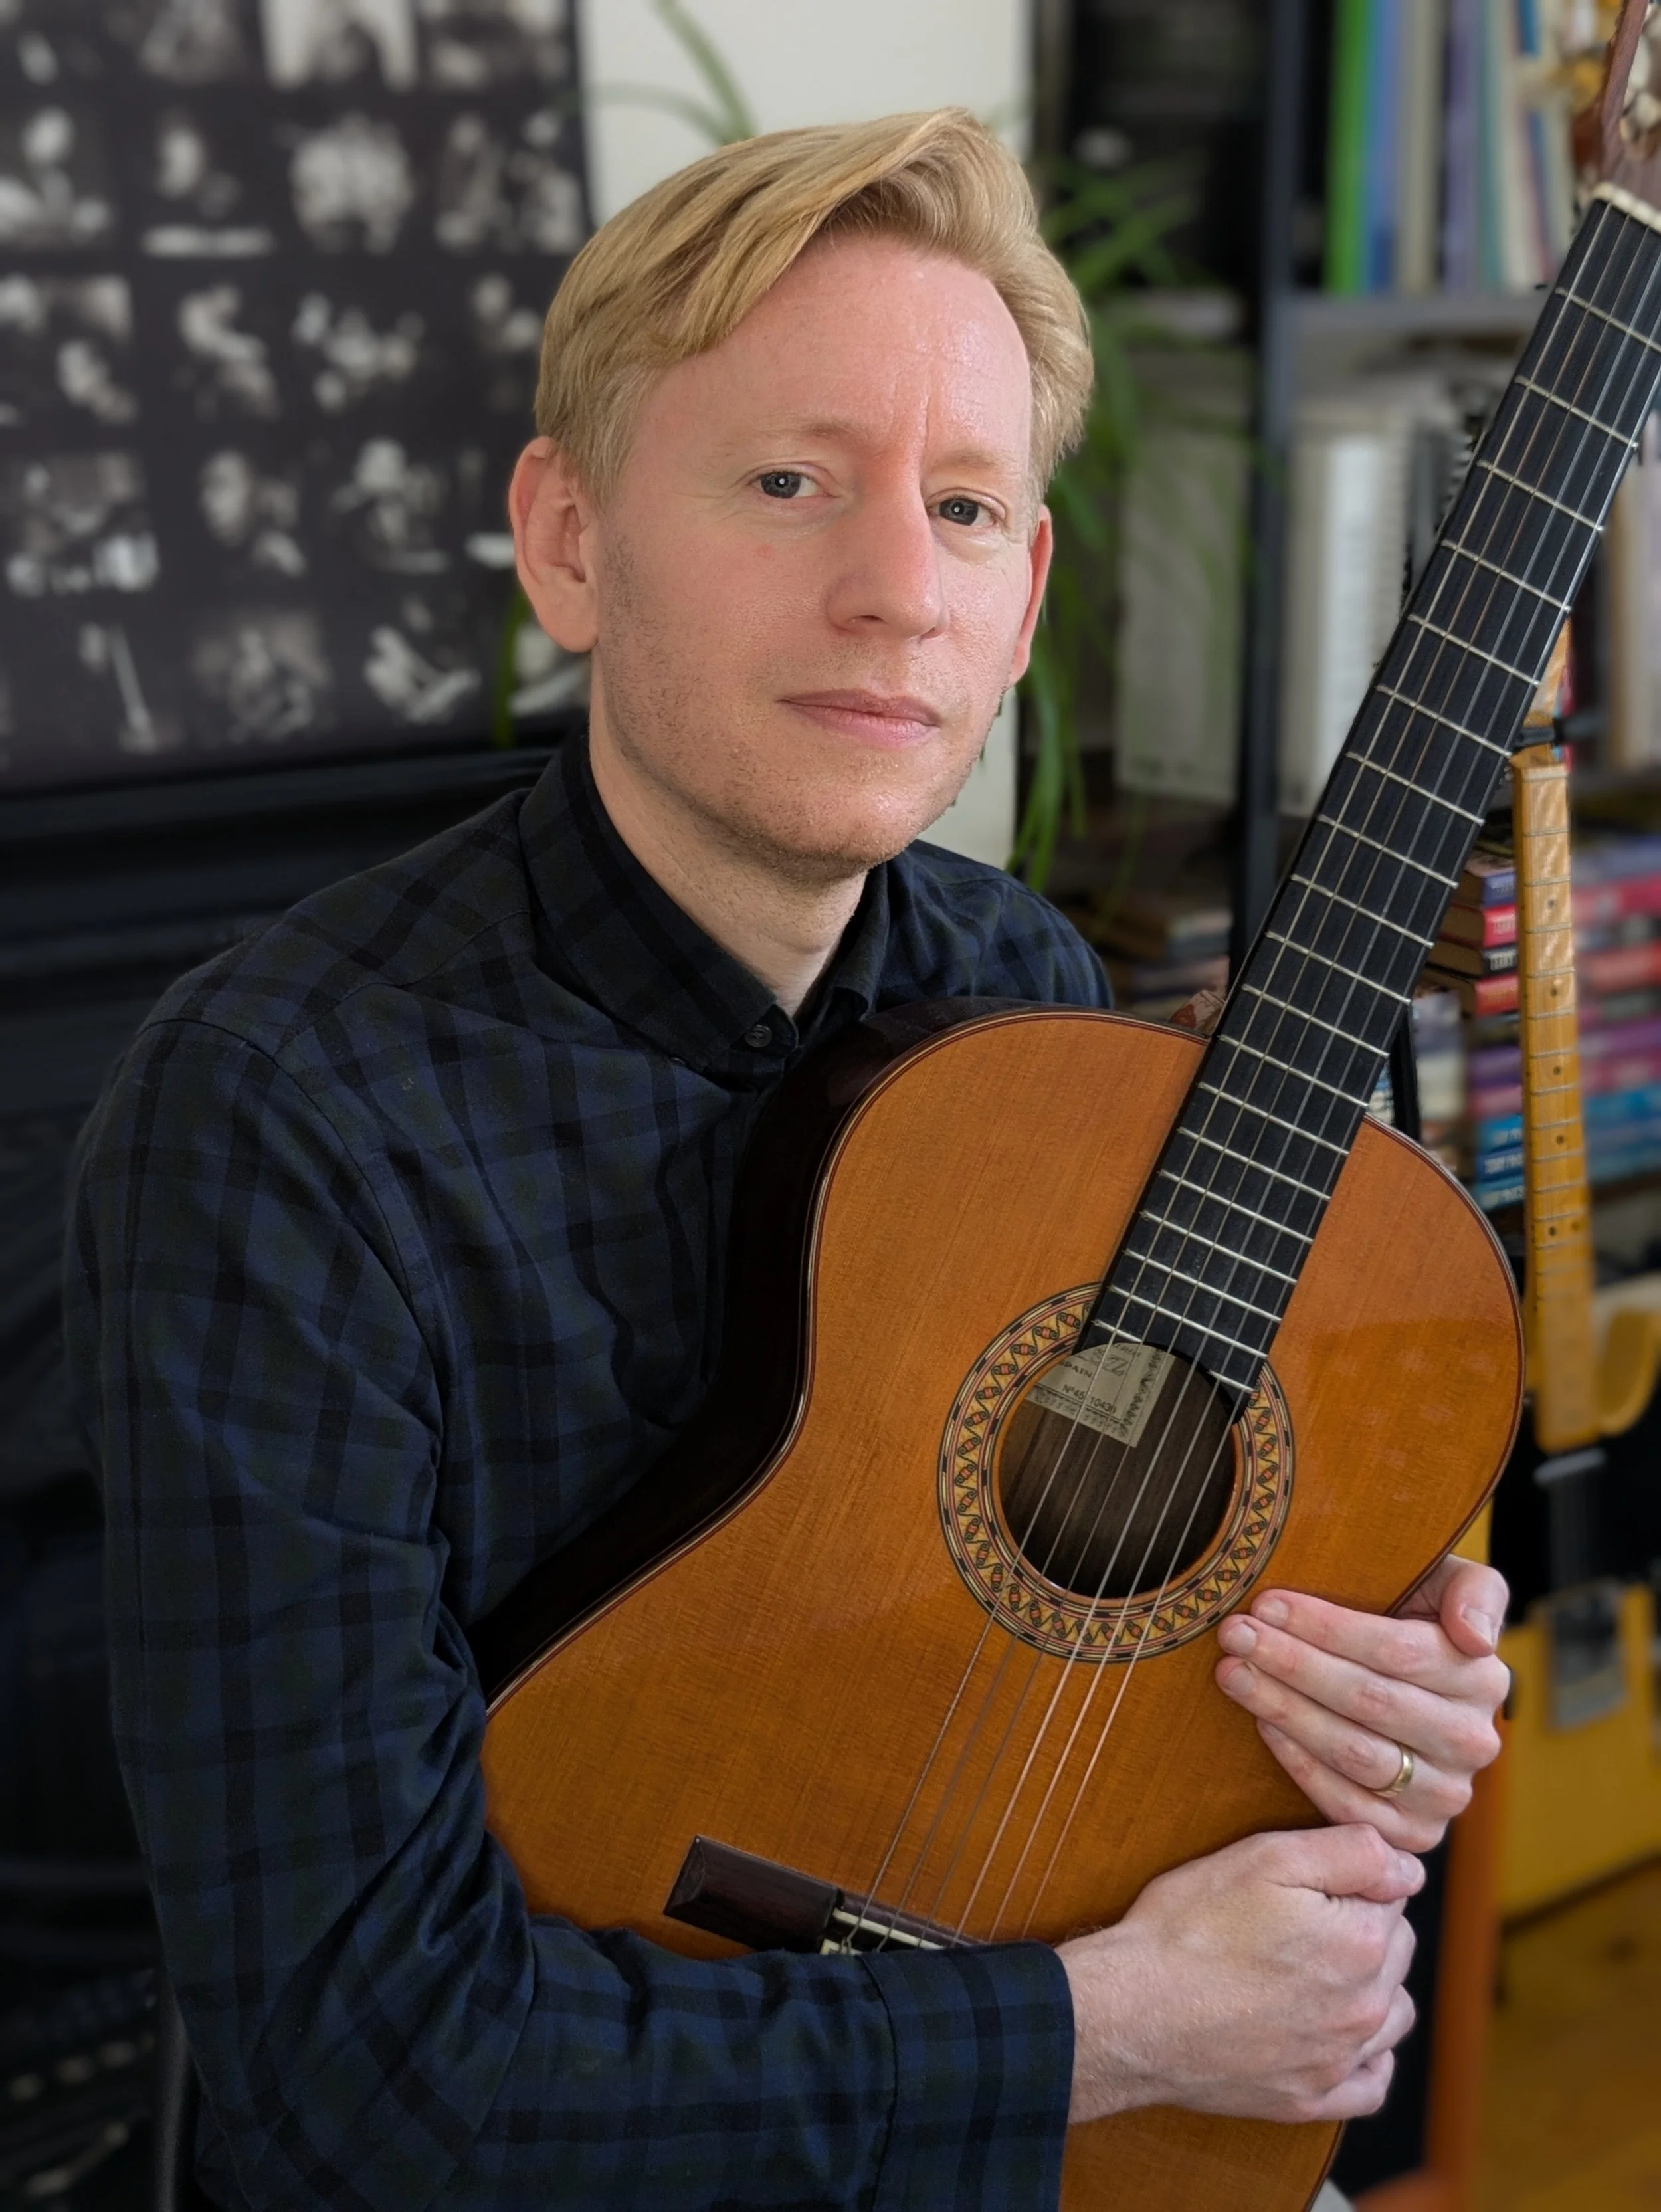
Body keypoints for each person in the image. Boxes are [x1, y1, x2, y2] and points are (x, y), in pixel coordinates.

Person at [66, 111, 1510, 2209]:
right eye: (785, 483)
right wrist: (1113, 2027)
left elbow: (1054, 1618)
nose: (892, 591)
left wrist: (1338, 1684)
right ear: (568, 541)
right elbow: (365, 2074)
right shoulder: (274, 1118)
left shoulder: (1019, 988)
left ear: (1024, 594)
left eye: (962, 506)